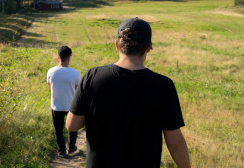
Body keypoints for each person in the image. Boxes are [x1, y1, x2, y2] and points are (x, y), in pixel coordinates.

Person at [66, 18, 190, 167]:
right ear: (149, 47)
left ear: (117, 45)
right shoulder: (163, 86)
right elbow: (175, 142)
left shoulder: (92, 76)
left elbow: (71, 125)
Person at [47, 45, 81, 157]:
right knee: (72, 127)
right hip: (71, 105)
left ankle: (61, 150)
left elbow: (50, 87)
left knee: (58, 129)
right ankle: (71, 147)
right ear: (69, 58)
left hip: (56, 105)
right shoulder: (75, 73)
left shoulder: (51, 71)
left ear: (58, 57)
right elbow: (77, 90)